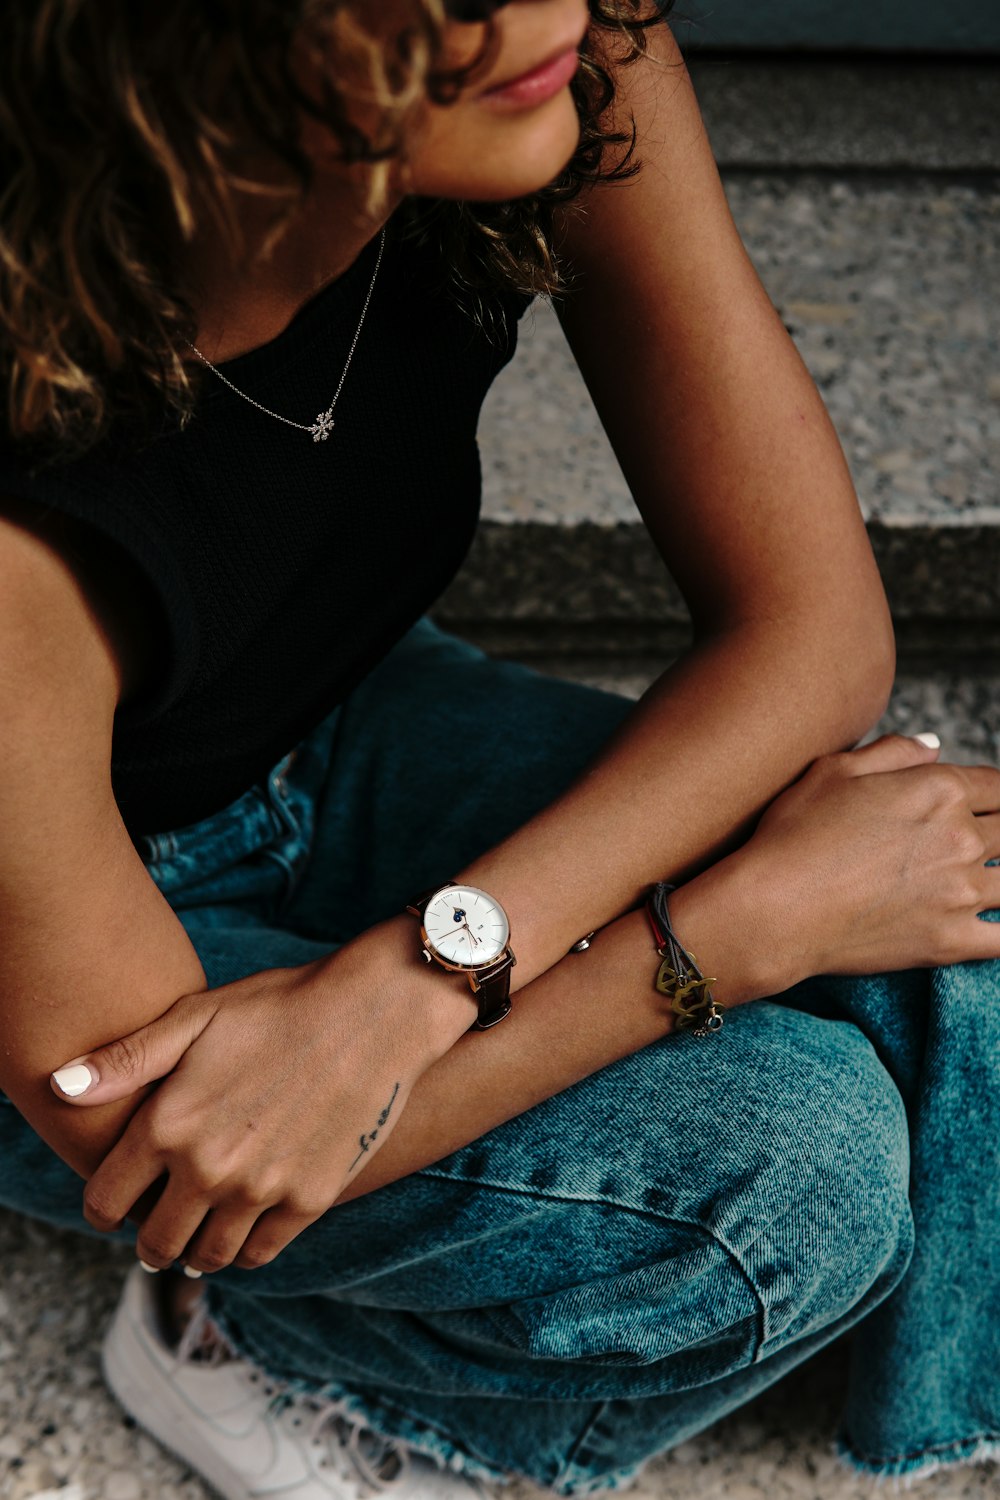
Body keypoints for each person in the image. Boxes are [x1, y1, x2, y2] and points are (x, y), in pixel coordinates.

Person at [0, 2, 997, 1497]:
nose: (543, 1)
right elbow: (152, 1139)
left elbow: (815, 633)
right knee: (796, 1177)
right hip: (74, 993)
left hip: (329, 716)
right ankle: (285, 1374)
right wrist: (724, 934)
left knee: (954, 884)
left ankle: (950, 1407)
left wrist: (419, 982)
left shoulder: (565, 55)